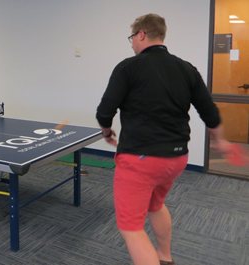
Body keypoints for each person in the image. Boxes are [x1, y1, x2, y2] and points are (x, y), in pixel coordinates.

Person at [96, 13, 233, 265]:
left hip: (140, 160)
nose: (132, 44)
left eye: (132, 38)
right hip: (176, 158)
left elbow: (104, 112)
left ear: (141, 34)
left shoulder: (128, 67)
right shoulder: (187, 68)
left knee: (131, 228)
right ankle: (165, 257)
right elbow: (210, 113)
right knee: (156, 205)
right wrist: (221, 141)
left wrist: (106, 131)